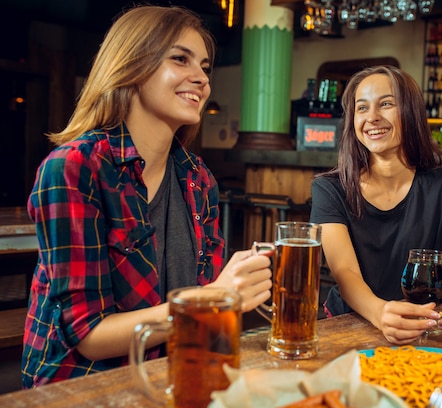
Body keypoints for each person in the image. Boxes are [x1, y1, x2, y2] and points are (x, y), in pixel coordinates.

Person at [21, 5, 272, 388]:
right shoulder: (73, 168)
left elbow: (204, 314)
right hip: (82, 387)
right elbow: (89, 336)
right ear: (131, 66)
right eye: (180, 59)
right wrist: (214, 299)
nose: (201, 79)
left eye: (205, 67)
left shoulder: (199, 179)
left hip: (174, 375)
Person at [310, 65, 442, 347]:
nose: (372, 118)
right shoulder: (330, 188)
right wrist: (380, 313)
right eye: (362, 108)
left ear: (411, 111)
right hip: (348, 325)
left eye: (386, 104)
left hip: (421, 328)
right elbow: (345, 273)